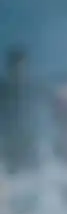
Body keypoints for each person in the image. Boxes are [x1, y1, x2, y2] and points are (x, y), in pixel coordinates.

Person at [0, 46, 37, 176]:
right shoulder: (3, 90)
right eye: (17, 67)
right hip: (10, 142)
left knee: (30, 178)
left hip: (28, 141)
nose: (20, 71)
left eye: (23, 67)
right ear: (10, 68)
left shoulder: (30, 88)